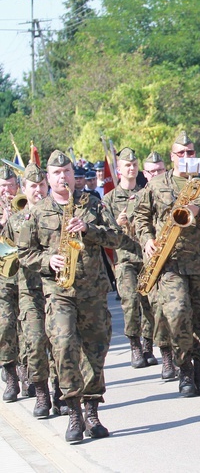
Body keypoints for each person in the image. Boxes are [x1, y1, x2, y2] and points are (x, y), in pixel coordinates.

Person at [18, 150, 124, 442]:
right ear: (48, 178)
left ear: (72, 175)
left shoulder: (93, 203)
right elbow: (25, 253)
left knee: (95, 350)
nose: (63, 177)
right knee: (64, 345)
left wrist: (89, 229)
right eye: (56, 173)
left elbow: (116, 237)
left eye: (66, 172)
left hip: (93, 289)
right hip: (59, 291)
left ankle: (92, 411)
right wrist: (47, 261)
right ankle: (74, 411)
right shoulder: (37, 212)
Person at [133, 132, 200, 396]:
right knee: (178, 315)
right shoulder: (157, 184)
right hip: (170, 264)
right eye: (180, 153)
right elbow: (140, 216)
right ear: (172, 157)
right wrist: (147, 240)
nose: (186, 157)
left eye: (190, 152)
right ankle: (184, 369)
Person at [4, 163, 64, 418]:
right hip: (29, 290)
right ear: (24, 189)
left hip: (56, 286)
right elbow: (6, 254)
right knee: (36, 342)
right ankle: (41, 393)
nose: (38, 190)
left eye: (41, 185)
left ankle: (62, 391)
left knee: (61, 343)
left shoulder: (57, 212)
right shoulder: (16, 220)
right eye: (32, 186)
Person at [102, 148, 159, 369]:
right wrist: (117, 223)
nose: (131, 168)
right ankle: (134, 345)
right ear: (119, 169)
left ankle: (147, 345)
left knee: (149, 303)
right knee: (130, 302)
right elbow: (104, 236)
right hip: (125, 258)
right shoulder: (109, 199)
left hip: (146, 257)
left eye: (134, 164)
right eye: (127, 165)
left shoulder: (146, 193)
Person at [139, 151, 175, 379]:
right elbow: (138, 222)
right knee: (159, 310)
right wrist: (147, 239)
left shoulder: (173, 188)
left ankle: (185, 357)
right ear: (145, 173)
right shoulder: (144, 194)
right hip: (155, 261)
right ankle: (167, 357)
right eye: (151, 171)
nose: (155, 175)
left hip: (180, 258)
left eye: (159, 170)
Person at [0, 164, 22, 403]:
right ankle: (10, 374)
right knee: (5, 325)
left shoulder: (24, 207)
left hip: (25, 276)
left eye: (10, 186)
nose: (7, 191)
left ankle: (28, 372)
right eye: (3, 186)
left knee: (27, 328)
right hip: (2, 278)